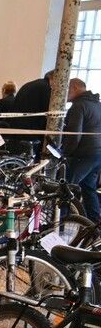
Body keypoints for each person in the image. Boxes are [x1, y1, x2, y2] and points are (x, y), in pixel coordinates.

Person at [64, 77, 101, 221]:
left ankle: (60, 220)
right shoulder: (97, 104)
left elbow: (74, 134)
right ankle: (94, 222)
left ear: (75, 88)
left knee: (66, 188)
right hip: (97, 153)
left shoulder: (79, 106)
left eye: (67, 89)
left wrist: (66, 153)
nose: (64, 94)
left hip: (83, 154)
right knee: (89, 188)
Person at [10, 70, 54, 156]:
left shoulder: (32, 84)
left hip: (16, 127)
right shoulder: (46, 88)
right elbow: (47, 110)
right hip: (31, 130)